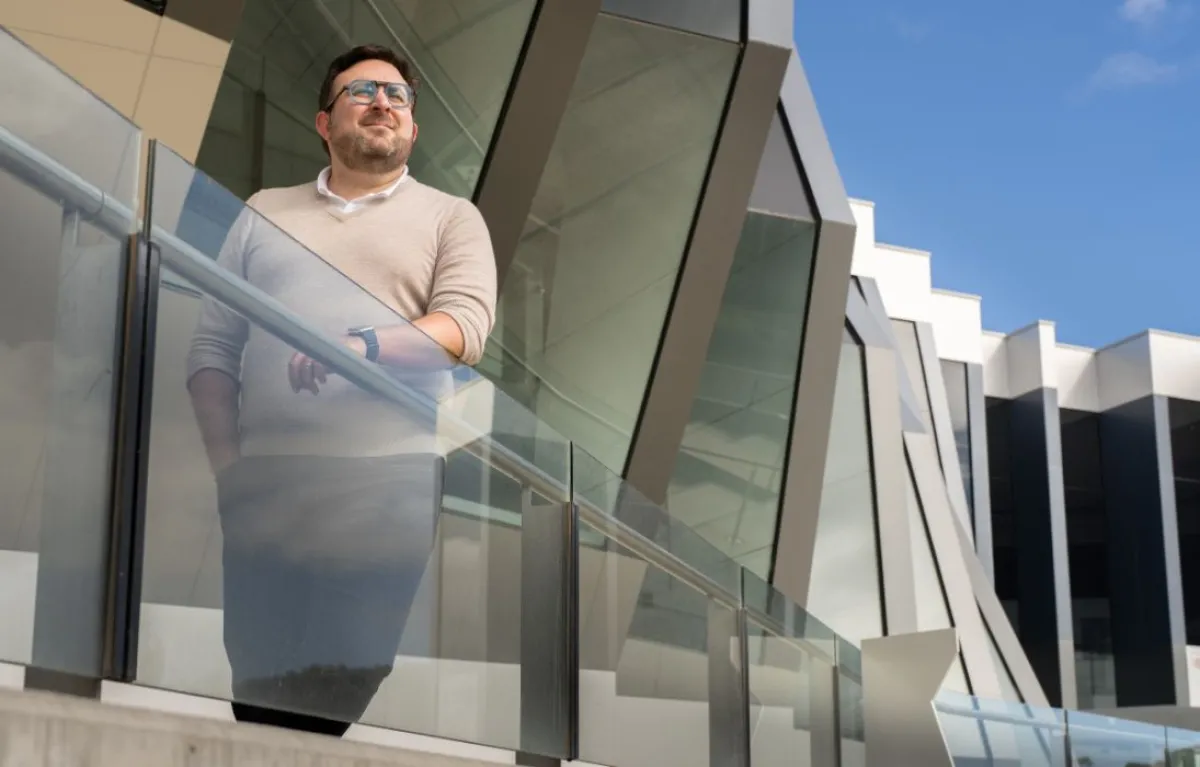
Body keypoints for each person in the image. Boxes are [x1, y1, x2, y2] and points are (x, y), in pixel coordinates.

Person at [185, 44, 497, 737]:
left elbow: (463, 329)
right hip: (267, 482)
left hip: (386, 483)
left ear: (412, 127)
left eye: (397, 95)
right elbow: (211, 351)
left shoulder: (451, 217)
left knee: (341, 672)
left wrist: (362, 346)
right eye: (361, 91)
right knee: (256, 678)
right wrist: (229, 470)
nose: (383, 102)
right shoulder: (264, 210)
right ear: (325, 122)